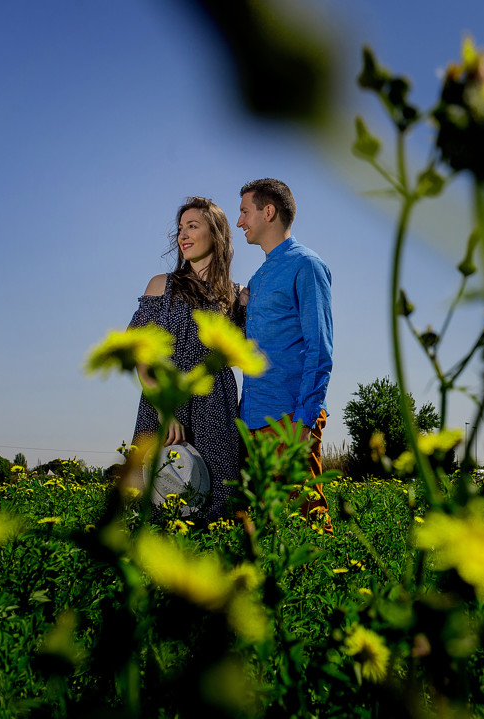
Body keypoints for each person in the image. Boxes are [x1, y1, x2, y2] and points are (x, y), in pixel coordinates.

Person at [128, 196, 245, 524]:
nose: (183, 235)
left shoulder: (238, 296)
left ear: (217, 234)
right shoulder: (160, 287)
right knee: (157, 501)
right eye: (180, 229)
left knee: (217, 505)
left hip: (216, 406)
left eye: (192, 226)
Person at [236, 178, 334, 532]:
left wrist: (304, 420)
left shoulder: (306, 266)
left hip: (289, 421)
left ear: (269, 211)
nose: (239, 222)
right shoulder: (257, 279)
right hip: (253, 423)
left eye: (245, 212)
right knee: (269, 536)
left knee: (308, 527)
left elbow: (320, 348)